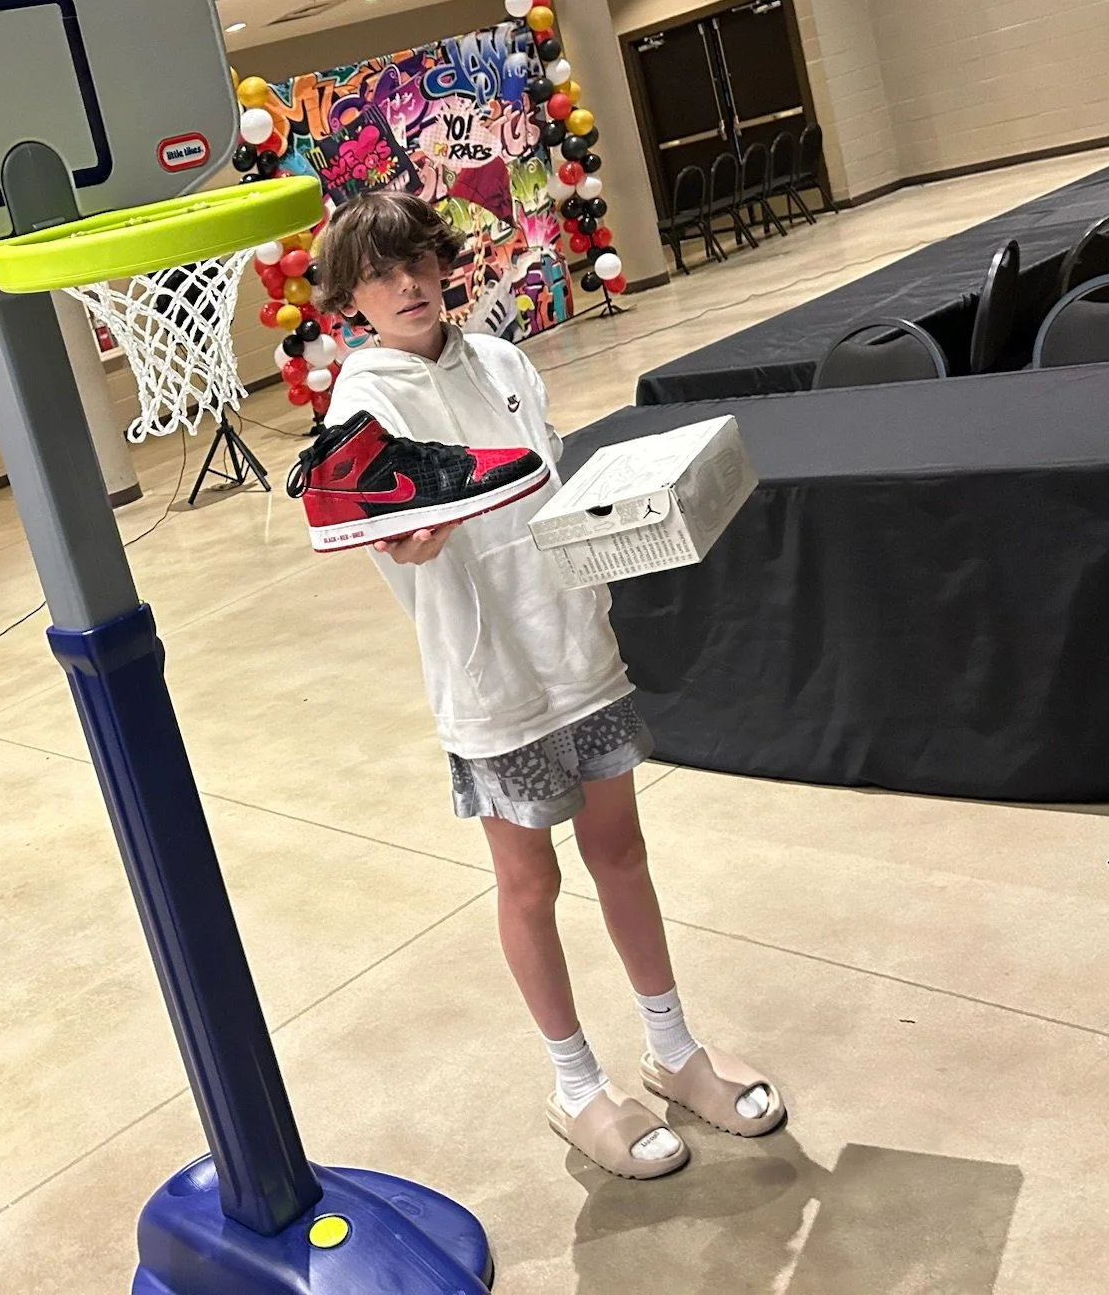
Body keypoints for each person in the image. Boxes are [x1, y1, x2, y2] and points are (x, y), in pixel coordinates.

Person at [311, 192, 785, 1181]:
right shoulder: (362, 401)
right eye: (380, 274)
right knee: (530, 885)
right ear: (351, 297)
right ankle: (574, 1087)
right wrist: (411, 540)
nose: (406, 286)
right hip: (490, 681)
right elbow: (383, 536)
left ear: (442, 265)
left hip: (576, 650)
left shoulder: (500, 360)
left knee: (620, 849)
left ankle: (672, 1052)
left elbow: (553, 485)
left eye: (418, 263)